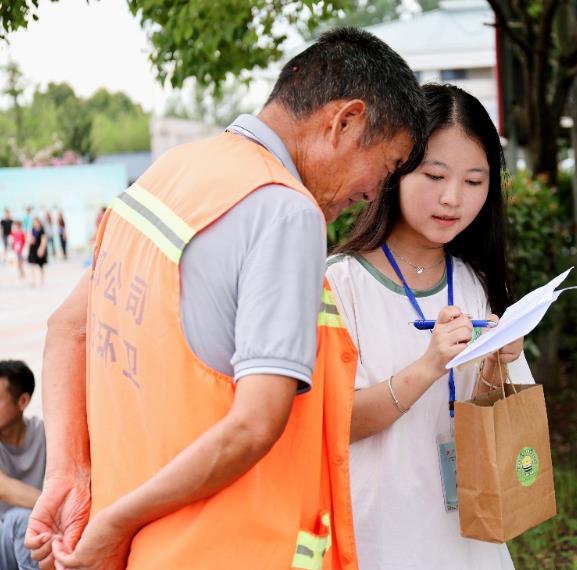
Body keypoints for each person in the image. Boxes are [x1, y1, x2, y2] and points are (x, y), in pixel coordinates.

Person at [25, 27, 426, 570]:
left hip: (140, 546)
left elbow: (66, 328)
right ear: (345, 121)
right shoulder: (287, 211)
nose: (373, 194)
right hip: (222, 549)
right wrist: (115, 525)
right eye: (387, 166)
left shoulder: (170, 172)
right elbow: (256, 424)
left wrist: (69, 477)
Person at [327, 84, 533, 569]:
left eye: (474, 182)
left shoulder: (474, 282)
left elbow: (499, 418)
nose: (452, 199)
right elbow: (334, 422)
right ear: (395, 169)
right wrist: (428, 365)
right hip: (380, 536)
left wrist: (499, 361)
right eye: (434, 174)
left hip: (471, 536)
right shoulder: (341, 283)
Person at [0, 360, 46, 570]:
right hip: (4, 539)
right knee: (22, 519)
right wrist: (58, 508)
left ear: (23, 401)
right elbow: (4, 489)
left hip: (39, 533)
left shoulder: (45, 433)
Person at [26, 218, 47, 287]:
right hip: (33, 249)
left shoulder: (42, 230)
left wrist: (41, 249)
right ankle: (33, 280)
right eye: (34, 222)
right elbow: (28, 240)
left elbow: (44, 240)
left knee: (41, 266)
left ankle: (42, 280)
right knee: (32, 266)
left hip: (39, 248)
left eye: (37, 222)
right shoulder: (31, 230)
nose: (36, 224)